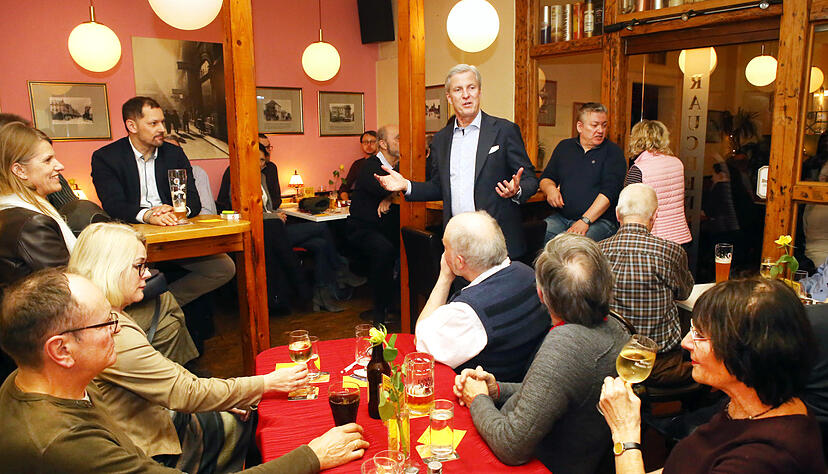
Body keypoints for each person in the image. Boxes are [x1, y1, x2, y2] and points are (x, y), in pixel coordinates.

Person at [0, 268, 369, 473]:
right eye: (106, 322)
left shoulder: (37, 380)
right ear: (61, 349)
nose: (119, 328)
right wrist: (312, 455)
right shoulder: (63, 444)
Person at [599, 278, 824, 474]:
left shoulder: (765, 459)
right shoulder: (744, 405)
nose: (686, 343)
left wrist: (625, 433)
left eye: (700, 334)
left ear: (747, 353)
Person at [453, 233, 630, 472]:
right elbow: (554, 391)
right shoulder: (615, 328)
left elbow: (511, 445)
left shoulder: (565, 342)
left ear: (542, 295)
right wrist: (496, 389)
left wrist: (478, 398)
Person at [375, 64, 539, 259]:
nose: (466, 95)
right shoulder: (441, 139)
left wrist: (517, 190)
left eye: (471, 87)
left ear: (479, 92)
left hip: (498, 242)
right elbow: (439, 187)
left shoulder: (504, 130)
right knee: (461, 291)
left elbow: (530, 178)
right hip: (458, 242)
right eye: (458, 90)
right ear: (449, 97)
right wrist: (406, 185)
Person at [91, 96, 235, 309]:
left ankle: (162, 306)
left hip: (174, 231)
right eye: (153, 123)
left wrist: (177, 210)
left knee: (224, 268)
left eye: (163, 122)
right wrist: (149, 215)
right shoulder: (106, 157)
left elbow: (193, 200)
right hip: (134, 236)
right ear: (131, 125)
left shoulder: (173, 153)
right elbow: (113, 204)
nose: (162, 129)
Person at [218, 141, 364, 312]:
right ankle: (340, 269)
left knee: (321, 244)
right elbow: (244, 212)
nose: (259, 164)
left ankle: (321, 295)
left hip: (276, 228)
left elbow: (268, 207)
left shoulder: (263, 177)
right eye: (256, 159)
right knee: (322, 228)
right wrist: (274, 216)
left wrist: (274, 214)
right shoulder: (238, 178)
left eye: (263, 161)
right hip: (265, 232)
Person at [415, 211, 550, 382]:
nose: (444, 254)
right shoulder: (529, 274)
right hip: (523, 381)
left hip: (486, 396)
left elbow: (422, 342)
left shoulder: (468, 313)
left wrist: (444, 278)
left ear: (459, 262)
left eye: (445, 248)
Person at [599, 184, 694, 386]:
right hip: (660, 364)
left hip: (610, 360)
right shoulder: (670, 251)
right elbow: (684, 292)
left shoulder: (597, 251)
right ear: (654, 216)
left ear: (617, 215)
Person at [539, 102, 626, 242]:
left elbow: (609, 193)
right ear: (580, 127)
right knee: (540, 234)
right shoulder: (564, 147)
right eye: (594, 125)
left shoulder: (613, 152)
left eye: (604, 125)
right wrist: (550, 190)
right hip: (562, 217)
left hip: (599, 221)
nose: (600, 130)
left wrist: (585, 220)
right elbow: (546, 178)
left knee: (575, 244)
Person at [347, 124, 402, 324]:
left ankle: (401, 307)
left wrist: (389, 198)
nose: (402, 142)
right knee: (384, 250)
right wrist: (391, 194)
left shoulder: (401, 166)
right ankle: (379, 315)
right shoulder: (370, 167)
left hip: (385, 228)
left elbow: (411, 184)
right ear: (383, 144)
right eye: (398, 138)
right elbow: (390, 186)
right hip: (362, 229)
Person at [623, 119, 691, 246]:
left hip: (654, 239)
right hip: (680, 235)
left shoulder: (639, 169)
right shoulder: (677, 163)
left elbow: (629, 208)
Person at [339, 131, 378, 200]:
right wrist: (347, 202)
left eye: (372, 142)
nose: (369, 145)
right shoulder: (357, 164)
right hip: (360, 203)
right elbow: (344, 188)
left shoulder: (384, 163)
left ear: (379, 143)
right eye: (365, 142)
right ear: (361, 144)